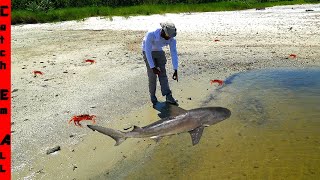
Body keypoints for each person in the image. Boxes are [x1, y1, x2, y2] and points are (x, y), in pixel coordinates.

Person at [142, 22, 179, 106]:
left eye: (170, 36)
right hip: (147, 51)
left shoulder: (172, 39)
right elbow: (147, 51)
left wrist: (175, 69)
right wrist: (152, 67)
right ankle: (153, 96)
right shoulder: (151, 34)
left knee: (163, 74)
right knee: (152, 76)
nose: (169, 38)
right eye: (168, 36)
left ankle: (168, 96)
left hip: (159, 50)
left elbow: (173, 52)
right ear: (163, 31)